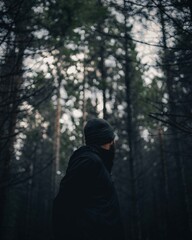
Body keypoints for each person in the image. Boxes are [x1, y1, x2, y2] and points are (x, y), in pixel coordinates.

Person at [52, 118, 125, 240]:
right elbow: (63, 205)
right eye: (111, 140)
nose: (113, 144)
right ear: (106, 139)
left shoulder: (98, 164)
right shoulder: (89, 162)